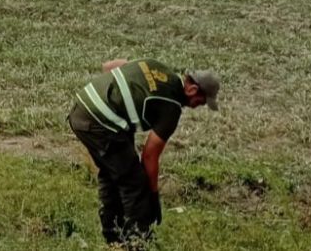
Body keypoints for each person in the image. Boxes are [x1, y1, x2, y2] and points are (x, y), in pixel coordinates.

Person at [68, 58, 220, 247]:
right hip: (100, 122)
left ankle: (113, 238)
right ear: (192, 90)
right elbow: (149, 156)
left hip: (81, 108)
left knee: (112, 172)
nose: (199, 106)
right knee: (135, 182)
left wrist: (115, 101)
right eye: (202, 101)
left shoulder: (158, 67)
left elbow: (110, 66)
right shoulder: (171, 107)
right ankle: (137, 242)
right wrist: (153, 195)